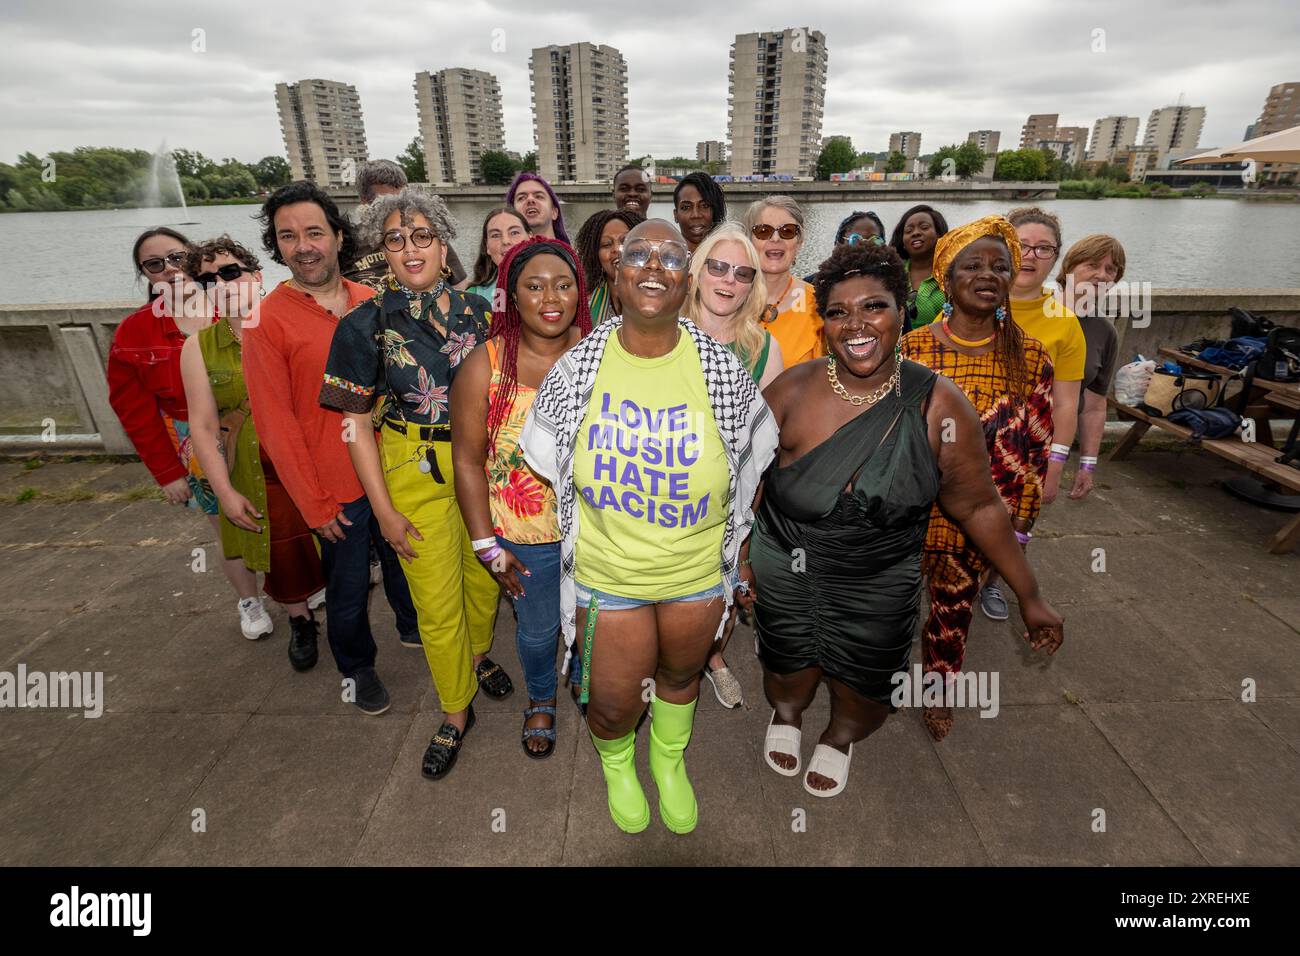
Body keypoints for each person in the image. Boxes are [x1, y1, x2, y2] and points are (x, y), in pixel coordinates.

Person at [751, 238, 1064, 796]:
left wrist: (1029, 594)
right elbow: (745, 485)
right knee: (786, 665)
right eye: (838, 312)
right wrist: (741, 564)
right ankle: (789, 715)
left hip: (880, 576)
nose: (857, 325)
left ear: (902, 310)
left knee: (866, 686)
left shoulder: (939, 404)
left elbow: (978, 504)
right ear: (823, 323)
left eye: (874, 306)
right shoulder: (791, 391)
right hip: (788, 564)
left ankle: (841, 737)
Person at [520, 219, 778, 834]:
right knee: (610, 703)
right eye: (638, 253)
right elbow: (546, 460)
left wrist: (735, 548)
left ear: (686, 277)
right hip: (610, 578)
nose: (654, 265)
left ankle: (667, 763)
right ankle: (616, 766)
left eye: (671, 256)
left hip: (695, 576)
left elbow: (752, 461)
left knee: (680, 677)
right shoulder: (577, 366)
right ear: (615, 270)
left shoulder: (722, 367)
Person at [320, 186, 509, 778]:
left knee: (485, 579)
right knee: (434, 599)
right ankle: (456, 711)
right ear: (382, 249)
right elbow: (353, 424)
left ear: (443, 240)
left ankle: (479, 655)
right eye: (395, 239)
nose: (409, 249)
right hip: (412, 465)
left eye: (422, 235)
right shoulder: (364, 323)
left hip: (485, 462)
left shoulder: (482, 313)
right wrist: (382, 510)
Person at [900, 215, 1057, 741]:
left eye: (1000, 266)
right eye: (973, 265)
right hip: (911, 512)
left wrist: (1018, 527)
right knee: (893, 607)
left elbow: (1033, 449)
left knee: (952, 616)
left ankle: (940, 691)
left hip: (981, 519)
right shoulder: (911, 350)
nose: (988, 274)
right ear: (946, 278)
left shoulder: (1031, 357)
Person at [242, 181, 394, 712]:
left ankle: (416, 629)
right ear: (277, 246)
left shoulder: (373, 301)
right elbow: (275, 422)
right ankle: (357, 668)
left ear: (336, 236)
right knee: (348, 590)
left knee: (404, 567)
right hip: (334, 487)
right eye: (287, 236)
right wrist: (312, 502)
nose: (303, 245)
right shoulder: (266, 320)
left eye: (313, 232)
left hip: (391, 473)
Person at [452, 237, 593, 757]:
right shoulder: (483, 366)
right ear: (512, 296)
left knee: (590, 618)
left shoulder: (601, 352)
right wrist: (486, 545)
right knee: (537, 631)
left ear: (580, 292)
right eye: (534, 286)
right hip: (523, 535)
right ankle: (540, 699)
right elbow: (466, 460)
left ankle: (581, 672)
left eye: (563, 285)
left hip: (596, 530)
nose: (550, 298)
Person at [108, 228, 259, 636]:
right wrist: (167, 473)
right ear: (145, 275)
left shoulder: (231, 303)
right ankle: (250, 600)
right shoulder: (135, 332)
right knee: (223, 521)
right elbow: (134, 410)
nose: (170, 270)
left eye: (177, 257)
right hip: (192, 437)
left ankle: (296, 585)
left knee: (275, 508)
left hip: (255, 424)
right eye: (154, 265)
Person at [179, 236, 325, 652]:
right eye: (207, 280)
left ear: (256, 277)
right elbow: (204, 427)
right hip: (254, 471)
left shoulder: (294, 324)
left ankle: (334, 605)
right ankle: (300, 621)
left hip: (309, 462)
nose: (221, 284)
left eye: (229, 272)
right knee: (276, 550)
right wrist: (223, 491)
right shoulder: (199, 348)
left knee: (327, 544)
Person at [682, 221, 783, 710]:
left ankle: (715, 657)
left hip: (732, 495)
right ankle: (672, 666)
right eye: (717, 267)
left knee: (723, 588)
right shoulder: (661, 330)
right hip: (665, 487)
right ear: (698, 272)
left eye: (742, 273)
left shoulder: (763, 349)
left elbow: (765, 447)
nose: (728, 281)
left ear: (752, 285)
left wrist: (746, 523)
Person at [983, 206, 1086, 622]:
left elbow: (1067, 401)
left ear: (1057, 257)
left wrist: (1057, 463)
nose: (1030, 256)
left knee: (1015, 523)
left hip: (1028, 451)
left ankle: (994, 582)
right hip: (968, 442)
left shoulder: (1065, 324)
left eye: (1044, 248)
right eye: (1022, 245)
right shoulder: (968, 305)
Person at [1057, 234, 1126, 500]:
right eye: (1092, 265)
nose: (1102, 275)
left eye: (1111, 269)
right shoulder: (1035, 310)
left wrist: (1087, 465)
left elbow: (1095, 406)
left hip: (1053, 449)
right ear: (1069, 268)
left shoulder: (1105, 332)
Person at [345, 159, 469, 290]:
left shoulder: (428, 235)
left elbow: (461, 287)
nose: (398, 210)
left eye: (403, 200)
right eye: (386, 204)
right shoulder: (345, 245)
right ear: (364, 202)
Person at [744, 196, 824, 366]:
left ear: (799, 241)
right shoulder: (727, 299)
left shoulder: (819, 305)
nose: (775, 239)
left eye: (787, 231)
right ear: (749, 239)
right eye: (763, 231)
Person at [575, 209, 645, 325]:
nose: (617, 249)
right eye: (606, 244)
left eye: (625, 241)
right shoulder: (583, 307)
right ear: (595, 256)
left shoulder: (660, 298)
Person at [889, 204, 948, 332]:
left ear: (939, 235)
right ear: (903, 242)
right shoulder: (890, 273)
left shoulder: (953, 273)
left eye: (924, 227)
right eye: (909, 231)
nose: (916, 233)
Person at [466, 205, 530, 307]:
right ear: (487, 246)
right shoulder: (472, 297)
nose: (505, 241)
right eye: (495, 235)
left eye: (514, 232)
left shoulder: (554, 285)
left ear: (530, 238)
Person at [802, 210, 888, 283]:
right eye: (856, 239)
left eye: (875, 240)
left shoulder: (892, 282)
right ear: (840, 243)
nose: (865, 246)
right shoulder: (813, 284)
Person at [506, 172, 570, 243]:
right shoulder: (501, 253)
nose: (530, 200)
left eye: (539, 196)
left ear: (554, 212)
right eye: (521, 198)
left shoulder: (570, 253)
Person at [672, 172, 726, 252]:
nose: (695, 215)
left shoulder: (729, 259)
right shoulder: (664, 260)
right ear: (676, 215)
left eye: (705, 206)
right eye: (686, 207)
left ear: (715, 210)